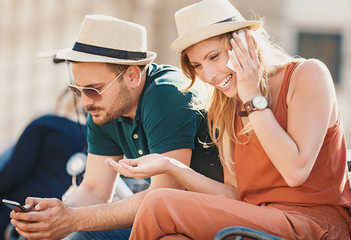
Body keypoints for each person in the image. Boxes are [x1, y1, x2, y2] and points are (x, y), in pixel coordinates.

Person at [104, 0, 351, 239]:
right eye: (198, 66)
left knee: (157, 202)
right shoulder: (227, 106)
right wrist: (171, 166)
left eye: (214, 57)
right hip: (257, 222)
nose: (209, 75)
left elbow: (295, 172)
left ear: (245, 43)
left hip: (313, 225)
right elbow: (234, 195)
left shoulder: (308, 74)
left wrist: (252, 96)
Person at [10, 14, 223, 240]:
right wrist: (53, 214)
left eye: (93, 89)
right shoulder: (104, 109)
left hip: (212, 217)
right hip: (168, 217)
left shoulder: (166, 95)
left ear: (132, 76)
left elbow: (163, 196)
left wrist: (71, 220)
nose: (85, 102)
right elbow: (94, 189)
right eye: (78, 91)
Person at [0, 89, 87, 239]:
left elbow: (12, 174)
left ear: (61, 103)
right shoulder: (98, 142)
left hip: (24, 214)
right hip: (65, 221)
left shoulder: (47, 123)